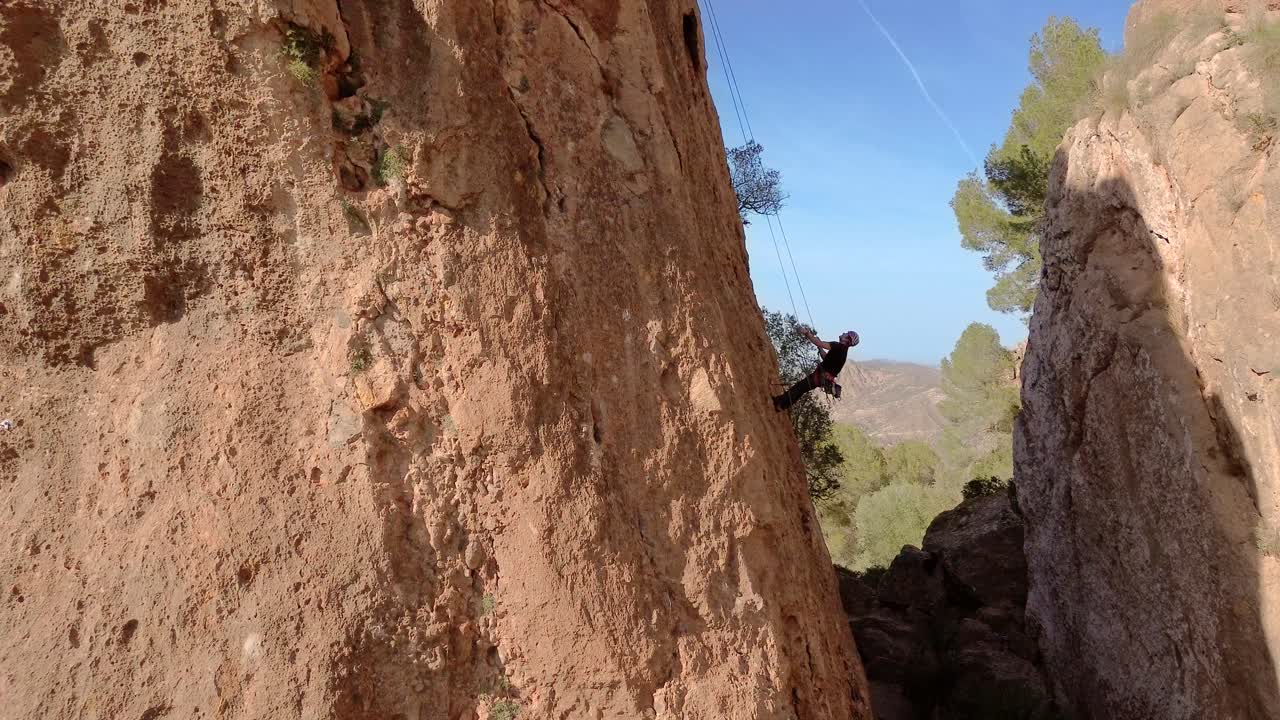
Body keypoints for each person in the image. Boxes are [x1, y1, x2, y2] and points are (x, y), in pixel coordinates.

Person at [772, 327, 860, 411]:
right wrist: (820, 348)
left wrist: (806, 333)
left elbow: (819, 343)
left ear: (847, 339)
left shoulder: (837, 346)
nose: (843, 333)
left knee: (798, 388)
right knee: (801, 389)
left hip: (819, 377)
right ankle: (782, 406)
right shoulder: (842, 352)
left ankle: (779, 402)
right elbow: (826, 358)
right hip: (821, 378)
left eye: (846, 334)